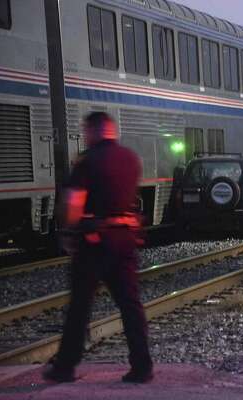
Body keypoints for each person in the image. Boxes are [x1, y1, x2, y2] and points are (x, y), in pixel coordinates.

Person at [43, 112, 153, 383]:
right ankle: (142, 366)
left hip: (94, 242)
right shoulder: (130, 159)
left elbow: (73, 204)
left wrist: (68, 232)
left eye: (86, 131)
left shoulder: (87, 160)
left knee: (80, 306)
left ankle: (65, 366)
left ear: (93, 131)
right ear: (112, 130)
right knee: (130, 305)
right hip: (126, 239)